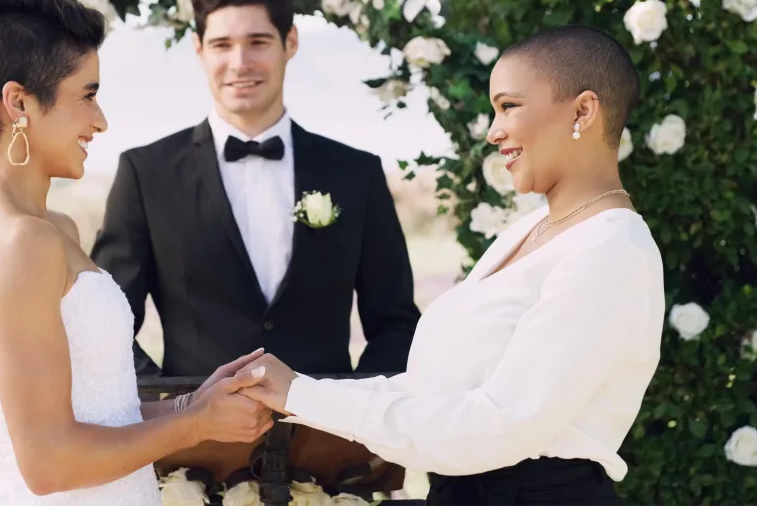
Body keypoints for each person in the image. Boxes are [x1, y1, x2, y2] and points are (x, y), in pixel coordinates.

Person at [236, 25, 666, 505]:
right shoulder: (526, 232)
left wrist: (301, 396)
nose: (493, 130)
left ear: (583, 110)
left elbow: (498, 425)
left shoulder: (611, 250)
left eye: (509, 106)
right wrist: (297, 392)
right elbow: (432, 394)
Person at [0, 0, 274, 505]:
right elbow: (49, 463)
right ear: (18, 103)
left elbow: (102, 414)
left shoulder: (53, 230)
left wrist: (195, 404)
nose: (100, 121)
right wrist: (194, 427)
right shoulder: (16, 244)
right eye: (88, 95)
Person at [90, 0, 420, 379]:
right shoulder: (145, 173)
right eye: (222, 45)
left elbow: (396, 324)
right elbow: (105, 329)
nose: (240, 62)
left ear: (291, 42)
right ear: (199, 49)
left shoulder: (356, 173)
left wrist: (354, 410)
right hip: (195, 439)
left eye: (258, 42)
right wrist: (176, 408)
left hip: (329, 436)